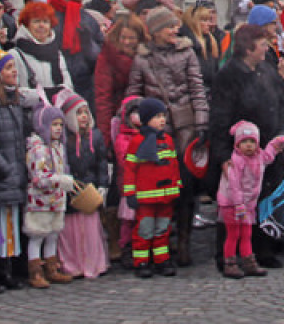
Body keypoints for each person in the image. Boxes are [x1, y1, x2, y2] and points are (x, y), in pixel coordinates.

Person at [124, 7, 208, 266]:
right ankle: (158, 241)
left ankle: (183, 242)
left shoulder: (187, 52)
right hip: (156, 128)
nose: (176, 30)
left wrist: (202, 121)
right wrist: (136, 112)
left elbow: (197, 87)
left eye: (175, 26)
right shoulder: (142, 59)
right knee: (157, 187)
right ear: (157, 30)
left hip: (184, 125)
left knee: (184, 186)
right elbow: (133, 92)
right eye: (170, 27)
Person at [208, 24, 284, 269]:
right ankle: (228, 257)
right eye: (263, 44)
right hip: (239, 151)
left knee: (263, 199)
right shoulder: (229, 75)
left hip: (267, 149)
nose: (267, 48)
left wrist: (282, 136)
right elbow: (220, 117)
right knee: (234, 204)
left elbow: (279, 102)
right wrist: (223, 155)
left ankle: (261, 250)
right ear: (248, 48)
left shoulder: (266, 69)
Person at [0, 54, 30, 291]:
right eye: (8, 68)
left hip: (14, 170)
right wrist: (2, 167)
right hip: (1, 172)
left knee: (10, 224)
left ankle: (6, 269)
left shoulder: (14, 99)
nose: (14, 72)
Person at [216, 121, 284, 279]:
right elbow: (233, 186)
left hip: (248, 204)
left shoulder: (258, 157)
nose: (248, 145)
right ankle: (229, 263)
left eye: (252, 142)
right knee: (233, 234)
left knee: (247, 233)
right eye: (244, 142)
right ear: (237, 144)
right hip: (232, 204)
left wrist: (276, 144)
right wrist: (238, 204)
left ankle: (249, 261)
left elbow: (268, 156)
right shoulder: (236, 161)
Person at [120, 97, 181, 278]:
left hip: (165, 196)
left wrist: (176, 185)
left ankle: (161, 260)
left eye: (163, 116)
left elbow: (173, 165)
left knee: (162, 229)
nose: (162, 120)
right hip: (145, 196)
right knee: (144, 230)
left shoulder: (168, 140)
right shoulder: (137, 142)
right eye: (157, 116)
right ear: (146, 119)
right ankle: (142, 262)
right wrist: (130, 193)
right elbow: (130, 169)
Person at [21, 102, 75, 287]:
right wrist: (61, 180)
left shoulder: (58, 147)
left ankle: (52, 268)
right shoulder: (38, 149)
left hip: (56, 199)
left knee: (53, 234)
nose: (58, 129)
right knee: (37, 235)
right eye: (54, 125)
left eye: (60, 125)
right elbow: (39, 177)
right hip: (40, 200)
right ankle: (35, 271)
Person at [57, 96, 111, 279]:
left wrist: (103, 185)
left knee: (90, 232)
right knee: (70, 232)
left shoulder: (95, 137)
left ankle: (93, 263)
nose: (83, 117)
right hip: (71, 192)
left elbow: (101, 163)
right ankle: (71, 264)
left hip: (90, 190)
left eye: (85, 112)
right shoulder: (64, 140)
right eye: (78, 113)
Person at [46, 0, 105, 103]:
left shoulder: (88, 19)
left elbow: (102, 57)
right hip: (53, 88)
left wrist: (88, 44)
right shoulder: (46, 17)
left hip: (86, 90)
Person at [92, 14, 145, 130]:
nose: (127, 42)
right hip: (117, 115)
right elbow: (103, 97)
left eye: (131, 38)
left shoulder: (146, 56)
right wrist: (105, 132)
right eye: (123, 37)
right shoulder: (108, 55)